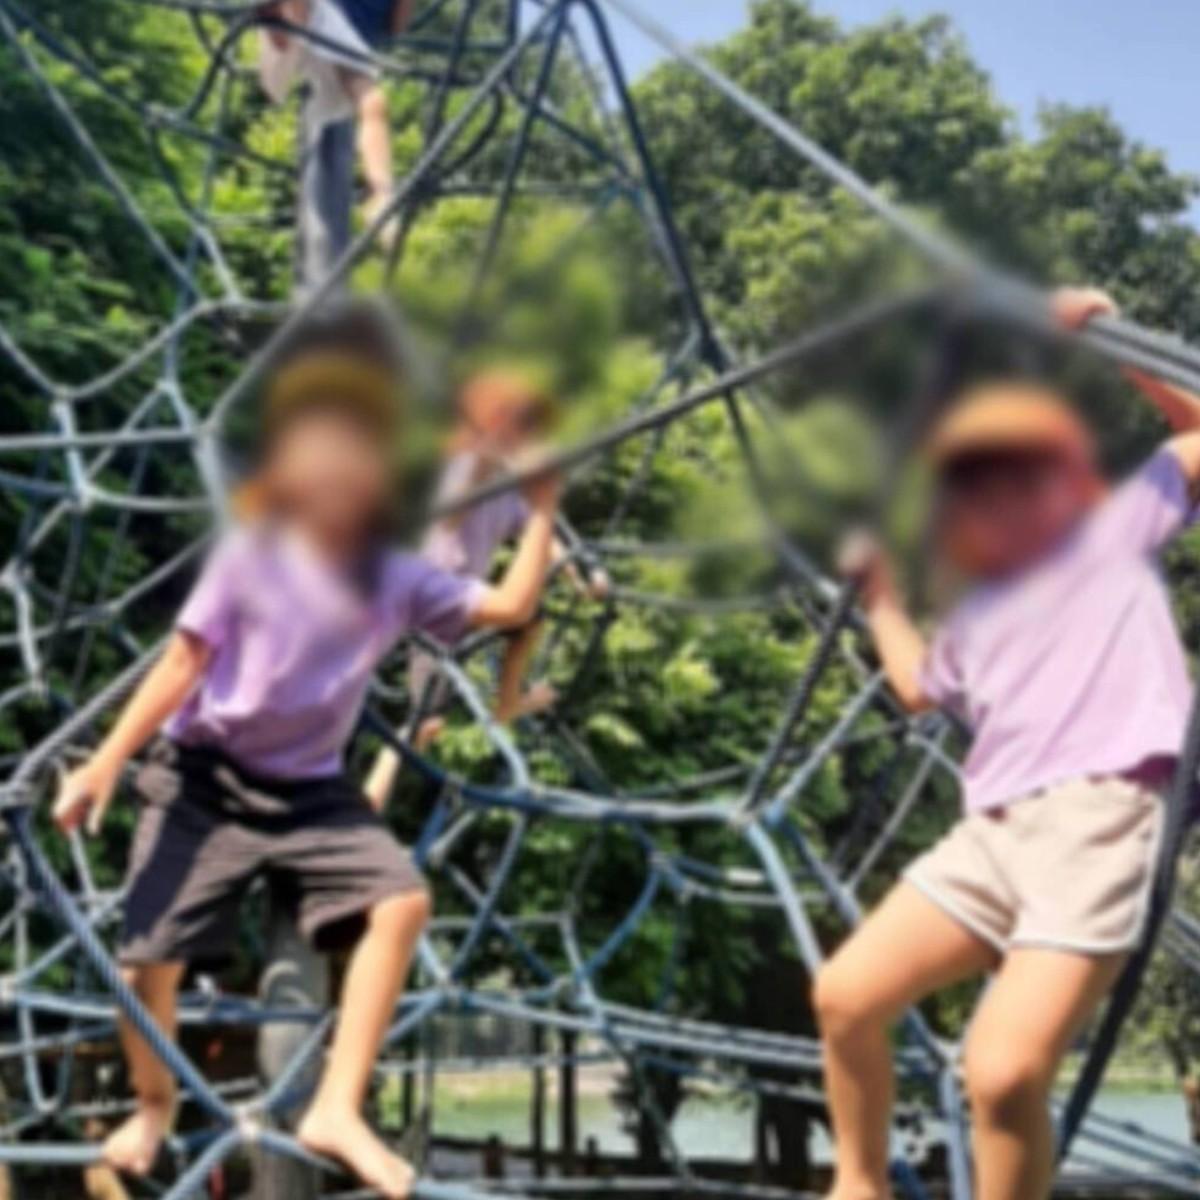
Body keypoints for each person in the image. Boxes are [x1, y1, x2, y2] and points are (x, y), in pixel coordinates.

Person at [51, 310, 560, 1200]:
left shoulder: (399, 573)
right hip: (204, 776)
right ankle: (153, 1104)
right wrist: (103, 763)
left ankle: (336, 1106)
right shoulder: (255, 553)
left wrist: (545, 507)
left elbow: (515, 609)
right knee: (143, 965)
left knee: (403, 901)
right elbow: (182, 664)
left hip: (308, 790)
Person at [813, 287, 1200, 1200]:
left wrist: (1115, 347)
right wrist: (881, 598)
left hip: (1098, 821)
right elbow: (918, 685)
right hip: (992, 831)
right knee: (845, 995)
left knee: (999, 1072)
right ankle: (858, 1186)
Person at [364, 368, 609, 808]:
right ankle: (361, 806)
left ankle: (507, 704)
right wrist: (490, 449)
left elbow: (545, 539)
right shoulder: (463, 466)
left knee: (526, 623)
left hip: (466, 600)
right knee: (419, 720)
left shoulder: (513, 498)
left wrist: (581, 578)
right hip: (430, 592)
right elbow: (456, 507)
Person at [259, 0, 412, 239]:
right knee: (372, 103)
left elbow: (396, 28)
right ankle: (381, 195)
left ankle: (381, 196)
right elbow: (396, 28)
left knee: (373, 104)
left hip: (339, 40)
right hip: (317, 21)